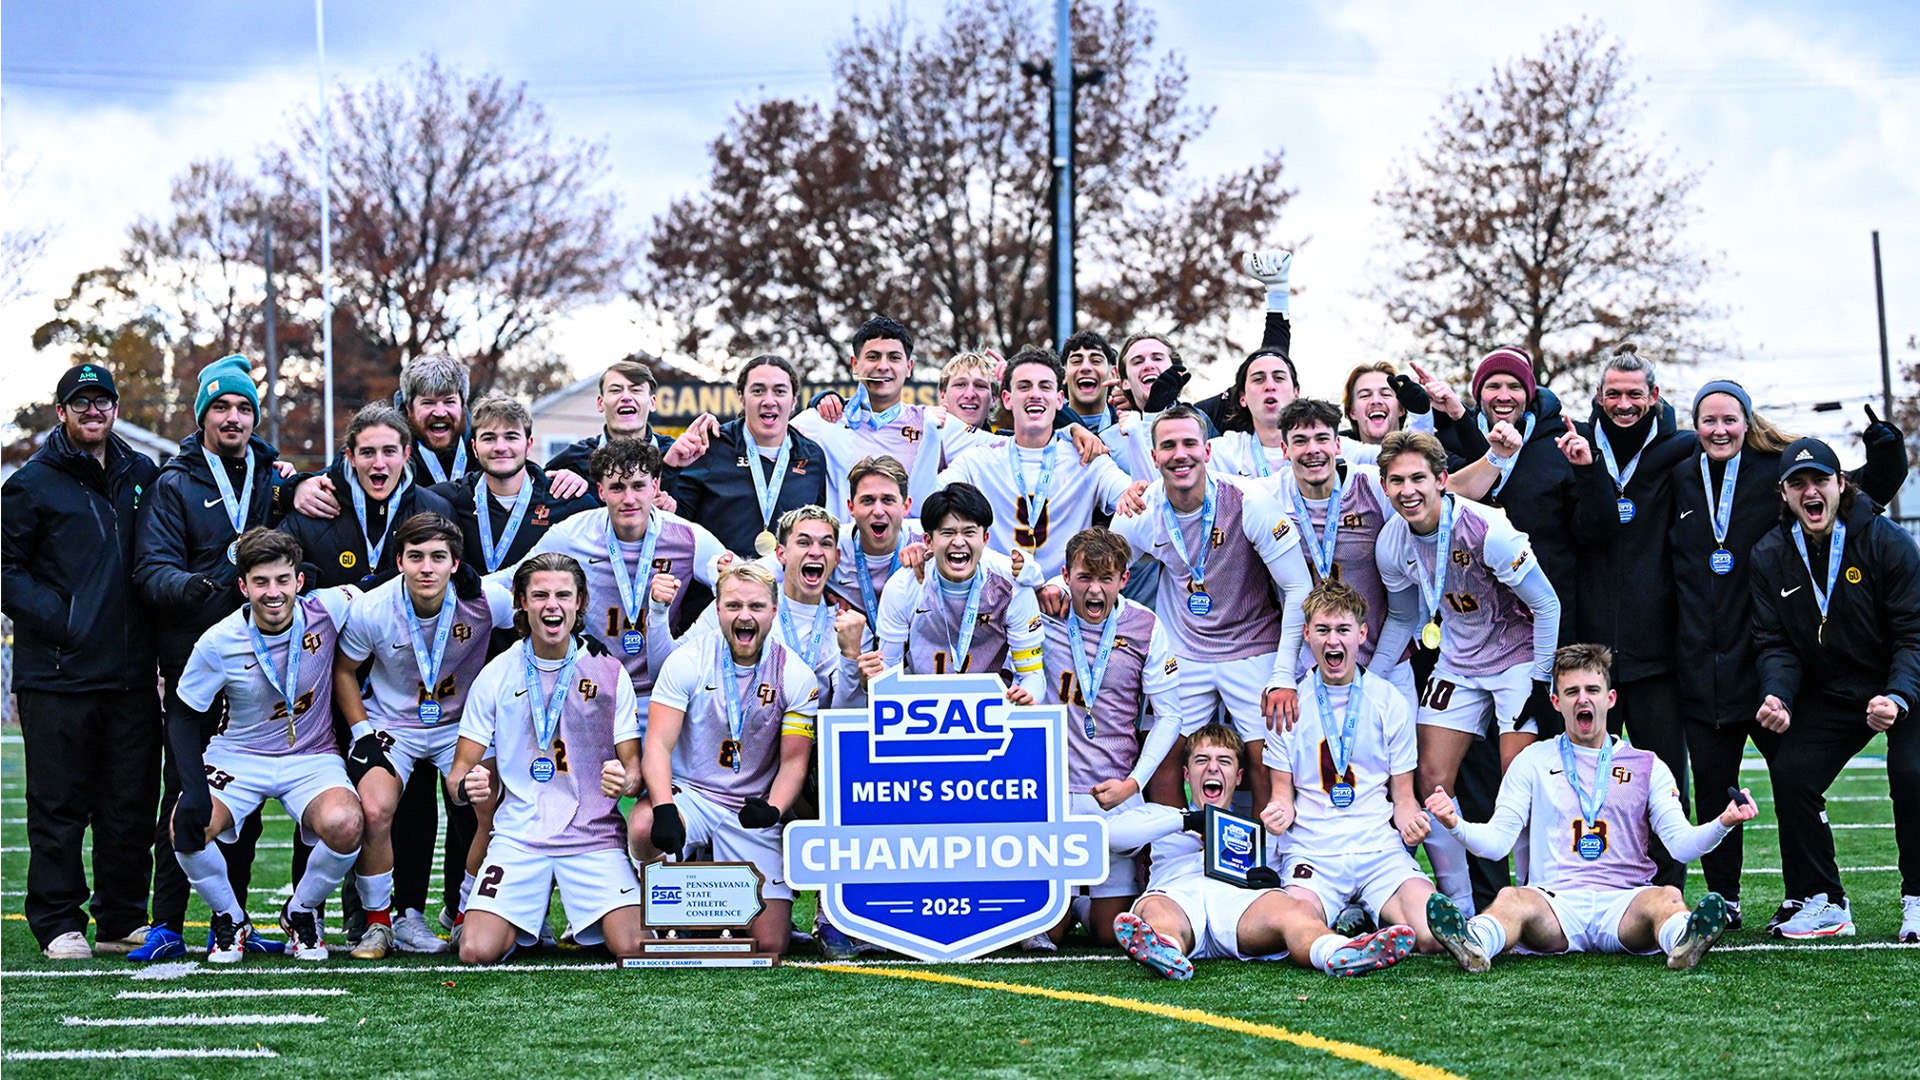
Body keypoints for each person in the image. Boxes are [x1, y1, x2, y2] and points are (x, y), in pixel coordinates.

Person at [1668, 385, 1907, 930]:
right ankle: (1726, 898)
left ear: (1747, 420)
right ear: (1694, 425)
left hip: (1773, 669)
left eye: (1730, 418)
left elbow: (1863, 489)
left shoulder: (1779, 472)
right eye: (1708, 420)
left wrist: (1888, 450)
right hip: (1703, 665)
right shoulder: (1679, 475)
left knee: (1795, 779)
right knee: (1715, 786)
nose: (1720, 429)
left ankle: (1812, 892)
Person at [1424, 643, 1759, 971]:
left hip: (1625, 902)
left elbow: (1681, 845)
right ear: (1556, 702)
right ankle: (1475, 942)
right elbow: (1497, 843)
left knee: (1667, 897)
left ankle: (1683, 942)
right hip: (1554, 903)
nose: (1582, 699)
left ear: (1610, 699)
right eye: (1572, 692)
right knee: (1511, 899)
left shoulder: (1647, 764)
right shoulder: (1533, 759)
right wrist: (1455, 824)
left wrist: (1724, 822)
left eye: (1592, 690)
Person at [132, 353, 297, 961]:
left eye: (243, 407)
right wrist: (199, 587)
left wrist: (305, 482)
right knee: (184, 790)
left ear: (255, 417)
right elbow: (150, 571)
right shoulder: (173, 484)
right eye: (221, 407)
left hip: (262, 663)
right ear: (201, 415)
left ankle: (234, 921)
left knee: (243, 801)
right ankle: (167, 924)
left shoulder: (272, 477)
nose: (233, 418)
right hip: (198, 659)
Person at [2, 363, 162, 960]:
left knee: (129, 805)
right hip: (57, 677)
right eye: (81, 402)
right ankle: (58, 923)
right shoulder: (30, 484)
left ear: (116, 408)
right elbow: (5, 571)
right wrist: (64, 620)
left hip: (131, 675)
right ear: (62, 411)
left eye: (103, 401)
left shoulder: (142, 473)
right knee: (58, 806)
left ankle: (122, 918)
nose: (93, 411)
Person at [1370, 430, 1561, 917]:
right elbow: (1402, 618)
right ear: (1384, 486)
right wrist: (1368, 679)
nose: (1408, 490)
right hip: (1458, 660)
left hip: (1516, 657)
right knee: (1431, 777)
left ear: (1441, 480)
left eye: (1418, 478)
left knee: (1517, 778)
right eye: (1396, 481)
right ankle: (1459, 905)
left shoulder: (1487, 529)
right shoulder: (1392, 541)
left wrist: (1541, 681)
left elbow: (1547, 604)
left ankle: (1534, 903)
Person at [165, 528, 365, 962]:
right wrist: (193, 788)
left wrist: (463, 579)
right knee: (186, 825)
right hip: (241, 755)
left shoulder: (329, 607)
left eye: (282, 580)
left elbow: (384, 586)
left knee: (348, 823)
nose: (273, 593)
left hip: (311, 755)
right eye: (261, 582)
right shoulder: (219, 640)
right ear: (243, 586)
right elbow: (182, 716)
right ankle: (230, 918)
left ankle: (301, 912)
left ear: (299, 581)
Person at [1751, 438, 1920, 942]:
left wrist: (1898, 696)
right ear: (1784, 494)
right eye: (1798, 483)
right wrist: (1778, 695)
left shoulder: (1887, 541)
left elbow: (1913, 634)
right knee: (1792, 772)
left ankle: (1918, 897)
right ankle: (1825, 899)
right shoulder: (1770, 554)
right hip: (1839, 690)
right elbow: (1774, 642)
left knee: (1913, 774)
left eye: (1820, 480)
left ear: (1841, 484)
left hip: (1905, 684)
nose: (1811, 491)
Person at [1105, 405, 1310, 812]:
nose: (1180, 454)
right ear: (1154, 456)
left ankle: (1263, 849)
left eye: (1189, 444)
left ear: (1208, 451)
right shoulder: (1142, 508)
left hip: (1253, 644)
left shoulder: (1249, 500)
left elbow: (1298, 587)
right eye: (1168, 446)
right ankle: (1176, 848)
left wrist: (1284, 673)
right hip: (1185, 648)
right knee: (1164, 763)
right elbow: (1102, 571)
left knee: (1267, 763)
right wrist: (1051, 585)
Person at [448, 552, 646, 963]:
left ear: (580, 602)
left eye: (563, 595)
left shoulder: (610, 672)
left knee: (634, 948)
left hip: (592, 836)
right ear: (522, 602)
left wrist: (624, 780)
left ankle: (565, 920)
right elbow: (456, 777)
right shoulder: (496, 673)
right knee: (476, 951)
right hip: (520, 837)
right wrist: (467, 785)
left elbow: (634, 774)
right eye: (539, 595)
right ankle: (517, 921)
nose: (551, 605)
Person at [333, 513, 515, 958]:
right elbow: (343, 670)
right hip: (394, 724)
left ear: (456, 563)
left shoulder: (486, 599)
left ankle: (467, 913)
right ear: (399, 562)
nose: (427, 568)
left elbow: (533, 616)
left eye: (438, 557)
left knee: (491, 804)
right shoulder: (373, 607)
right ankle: (381, 923)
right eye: (416, 557)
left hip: (462, 725)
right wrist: (363, 734)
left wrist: (583, 641)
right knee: (374, 808)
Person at [1107, 723, 1417, 980]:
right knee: (1157, 910)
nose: (1212, 768)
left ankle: (1336, 952)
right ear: (1187, 775)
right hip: (1178, 896)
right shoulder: (1162, 816)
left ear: (1239, 776)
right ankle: (1166, 949)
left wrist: (1272, 879)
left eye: (1224, 761)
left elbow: (1293, 865)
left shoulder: (1258, 827)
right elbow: (1111, 836)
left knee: (1295, 909)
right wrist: (1188, 820)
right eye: (1202, 760)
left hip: (1239, 906)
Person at [1553, 345, 1699, 888]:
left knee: (1665, 783)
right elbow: (1588, 531)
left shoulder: (1681, 450)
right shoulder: (1575, 447)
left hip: (1657, 651)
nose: (1623, 403)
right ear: (1598, 396)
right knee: (1586, 781)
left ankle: (1668, 893)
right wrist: (1589, 472)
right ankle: (1592, 888)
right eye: (1613, 393)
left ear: (1654, 396)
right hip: (1591, 657)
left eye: (1634, 393)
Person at [629, 563, 820, 957]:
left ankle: (705, 896)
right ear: (717, 609)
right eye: (733, 605)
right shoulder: (687, 660)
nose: (744, 616)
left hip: (750, 806)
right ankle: (658, 889)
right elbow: (658, 746)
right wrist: (664, 808)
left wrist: (773, 808)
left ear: (773, 610)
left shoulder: (796, 675)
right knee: (645, 826)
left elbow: (793, 763)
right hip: (692, 796)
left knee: (769, 944)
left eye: (756, 606)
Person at [1260, 582, 1440, 954]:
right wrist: (1278, 813)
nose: (1332, 641)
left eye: (1342, 629)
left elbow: (1403, 798)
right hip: (1314, 852)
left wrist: (1412, 822)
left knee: (1431, 931)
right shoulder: (1290, 704)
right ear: (1306, 634)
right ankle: (1345, 949)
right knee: (1296, 925)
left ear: (1362, 633)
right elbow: (1282, 796)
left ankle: (1367, 923)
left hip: (1378, 850)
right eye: (1322, 630)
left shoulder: (1389, 701)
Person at [1034, 527, 1183, 948]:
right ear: (1066, 576)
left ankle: (1083, 907)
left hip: (1114, 793)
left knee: (1108, 931)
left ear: (1124, 578)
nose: (1095, 590)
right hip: (1054, 792)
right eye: (1084, 578)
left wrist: (1133, 784)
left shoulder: (1145, 625)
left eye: (1106, 578)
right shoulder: (1044, 613)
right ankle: (1066, 906)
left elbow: (1170, 715)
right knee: (1048, 931)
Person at [521, 438, 728, 722]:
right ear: (601, 491)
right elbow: (515, 579)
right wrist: (468, 585)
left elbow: (742, 587)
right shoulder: (572, 533)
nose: (629, 499)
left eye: (638, 486)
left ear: (655, 486)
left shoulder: (688, 537)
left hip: (662, 693)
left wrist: (691, 644)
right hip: (591, 690)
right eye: (617, 487)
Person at [938, 346, 1143, 580]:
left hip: (1066, 597)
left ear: (1060, 399)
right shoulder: (978, 458)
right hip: (996, 596)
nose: (1035, 394)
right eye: (1024, 386)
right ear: (1007, 399)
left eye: (1045, 386)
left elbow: (1143, 508)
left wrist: (1091, 574)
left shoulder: (1088, 458)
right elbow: (919, 506)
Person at [1271, 399, 1414, 703]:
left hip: (1384, 658)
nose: (1312, 449)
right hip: (1308, 663)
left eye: (1322, 438)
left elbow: (1435, 497)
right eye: (1300, 441)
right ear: (1285, 450)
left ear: (1338, 445)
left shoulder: (1373, 486)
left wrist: (1375, 676)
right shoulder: (1267, 496)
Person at [791, 316, 999, 513]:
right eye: (873, 357)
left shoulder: (932, 422)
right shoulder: (824, 419)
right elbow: (774, 440)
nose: (883, 366)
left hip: (913, 540)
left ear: (909, 367)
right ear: (855, 365)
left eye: (894, 357)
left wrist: (1010, 380)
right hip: (845, 540)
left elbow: (1010, 450)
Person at [871, 483, 1045, 697]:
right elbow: (888, 669)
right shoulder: (902, 587)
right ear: (929, 541)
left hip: (995, 705)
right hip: (921, 706)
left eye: (969, 532)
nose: (959, 542)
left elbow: (1032, 674)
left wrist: (1027, 696)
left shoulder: (1012, 585)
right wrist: (871, 678)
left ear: (985, 539)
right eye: (948, 533)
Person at [279, 403, 456, 590]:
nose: (379, 463)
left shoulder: (437, 511)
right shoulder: (313, 507)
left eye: (389, 451)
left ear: (405, 454)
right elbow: (275, 576)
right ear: (351, 457)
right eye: (367, 452)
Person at [667, 354, 829, 559]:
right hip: (722, 578)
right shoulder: (710, 446)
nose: (769, 401)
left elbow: (818, 527)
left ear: (794, 401)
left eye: (779, 391)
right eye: (758, 391)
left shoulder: (812, 456)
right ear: (742, 398)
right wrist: (669, 469)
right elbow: (676, 521)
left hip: (785, 579)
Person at [431, 394, 596, 579]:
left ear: (528, 445)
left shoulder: (567, 500)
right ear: (475, 448)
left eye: (511, 437)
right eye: (489, 438)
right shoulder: (447, 499)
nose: (500, 447)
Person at [544, 356, 677, 477]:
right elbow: (538, 485)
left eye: (636, 390)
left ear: (652, 403)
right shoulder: (574, 461)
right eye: (615, 390)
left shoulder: (677, 455)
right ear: (600, 403)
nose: (626, 397)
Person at [1342, 360, 1430, 446]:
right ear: (1352, 411)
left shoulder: (1428, 448)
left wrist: (1422, 413)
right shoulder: (1338, 451)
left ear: (1401, 408)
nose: (1376, 401)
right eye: (1365, 395)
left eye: (1385, 394)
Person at [1059, 331, 1121, 433]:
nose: (1085, 367)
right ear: (1064, 374)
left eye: (1096, 361)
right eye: (1076, 361)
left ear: (1112, 374)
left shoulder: (1132, 429)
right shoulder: (1045, 431)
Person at [937, 351, 999, 432]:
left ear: (993, 399)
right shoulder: (923, 438)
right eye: (960, 384)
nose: (970, 394)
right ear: (943, 395)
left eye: (980, 386)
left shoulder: (1009, 439)